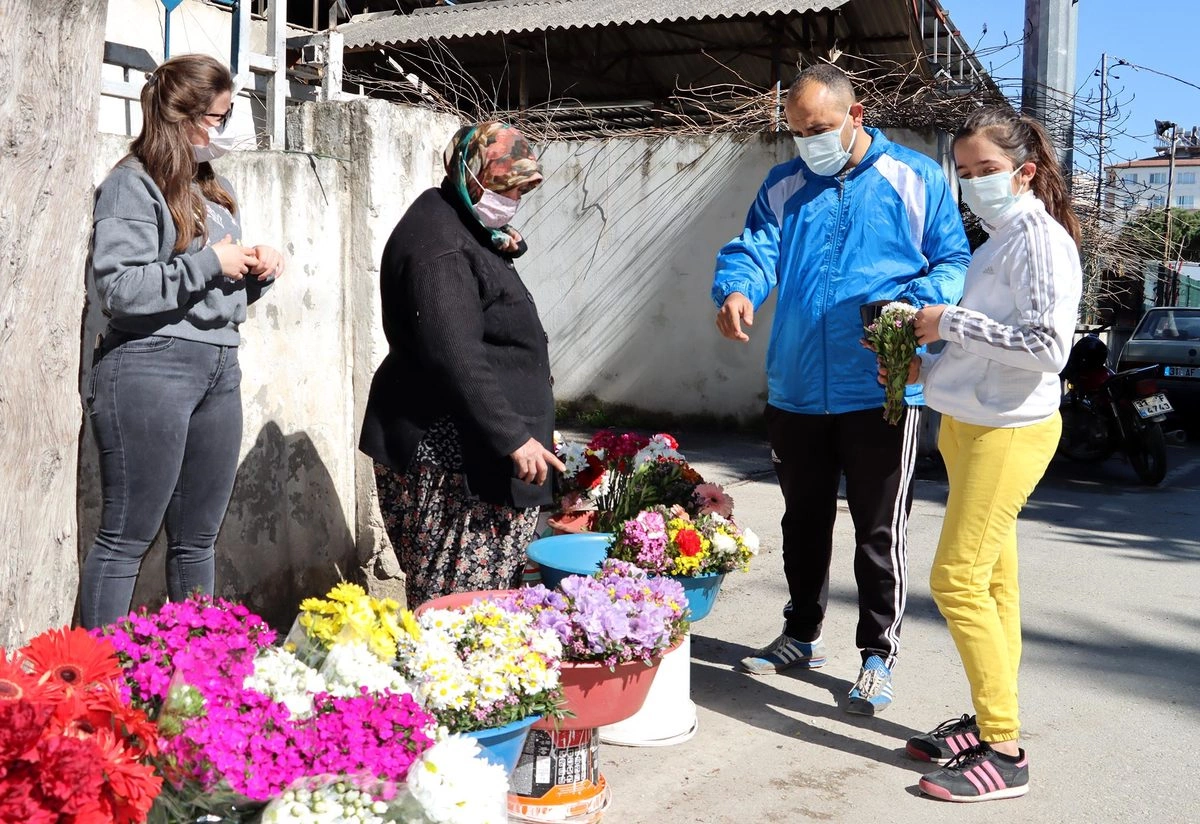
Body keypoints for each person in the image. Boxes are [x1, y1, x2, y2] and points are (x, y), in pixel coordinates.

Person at [711, 64, 970, 715]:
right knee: (803, 523)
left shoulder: (916, 178)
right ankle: (801, 633)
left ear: (857, 116)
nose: (808, 141)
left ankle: (877, 655)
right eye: (797, 131)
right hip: (796, 387)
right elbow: (755, 247)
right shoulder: (783, 183)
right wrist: (737, 288)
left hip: (881, 388)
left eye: (820, 128)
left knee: (879, 532)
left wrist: (914, 311)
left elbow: (953, 262)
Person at [891, 107, 1082, 801]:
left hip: (1010, 432)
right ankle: (990, 715)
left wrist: (949, 321)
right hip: (971, 424)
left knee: (958, 581)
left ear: (1025, 173)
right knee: (994, 586)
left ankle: (1005, 750)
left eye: (988, 172)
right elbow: (987, 344)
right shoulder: (997, 239)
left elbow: (1047, 349)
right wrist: (927, 366)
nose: (974, 184)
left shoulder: (1040, 241)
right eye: (965, 173)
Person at [81, 54, 283, 629]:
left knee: (198, 540)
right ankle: (93, 692)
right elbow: (119, 288)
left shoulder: (212, 190)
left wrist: (254, 273)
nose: (220, 131)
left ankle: (195, 688)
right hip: (150, 366)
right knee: (126, 537)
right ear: (181, 115)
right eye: (216, 119)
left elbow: (216, 293)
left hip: (219, 366)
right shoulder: (130, 185)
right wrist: (206, 262)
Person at [359, 121, 564, 609]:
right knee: (458, 604)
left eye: (518, 190)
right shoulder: (441, 245)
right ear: (467, 175)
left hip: (471, 444)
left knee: (478, 602)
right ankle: (442, 684)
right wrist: (513, 436)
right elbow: (455, 356)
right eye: (501, 187)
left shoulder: (464, 226)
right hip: (455, 455)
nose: (510, 200)